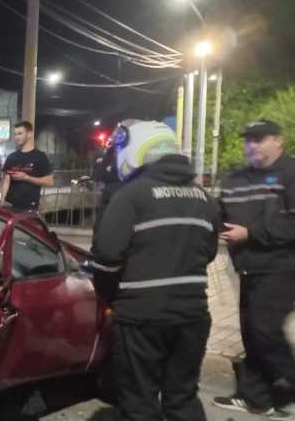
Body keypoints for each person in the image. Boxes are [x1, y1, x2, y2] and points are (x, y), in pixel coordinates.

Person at [91, 120, 220, 421]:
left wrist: (110, 297)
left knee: (139, 401)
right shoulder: (203, 198)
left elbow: (107, 257)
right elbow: (209, 252)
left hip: (141, 318)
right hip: (192, 315)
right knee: (182, 397)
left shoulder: (131, 195)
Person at [213, 120, 295, 419]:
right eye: (248, 140)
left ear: (278, 140)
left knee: (265, 329)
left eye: (259, 139)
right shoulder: (236, 177)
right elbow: (218, 213)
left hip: (282, 267)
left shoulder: (291, 173)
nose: (252, 145)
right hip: (246, 268)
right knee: (251, 332)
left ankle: (288, 387)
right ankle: (258, 398)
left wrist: (251, 233)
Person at [1, 121, 53, 211]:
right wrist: (2, 200)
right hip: (10, 206)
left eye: (20, 133)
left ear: (29, 134)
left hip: (29, 207)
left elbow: (49, 181)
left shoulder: (40, 157)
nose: (17, 137)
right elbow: (6, 180)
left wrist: (26, 178)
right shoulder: (12, 157)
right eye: (15, 134)